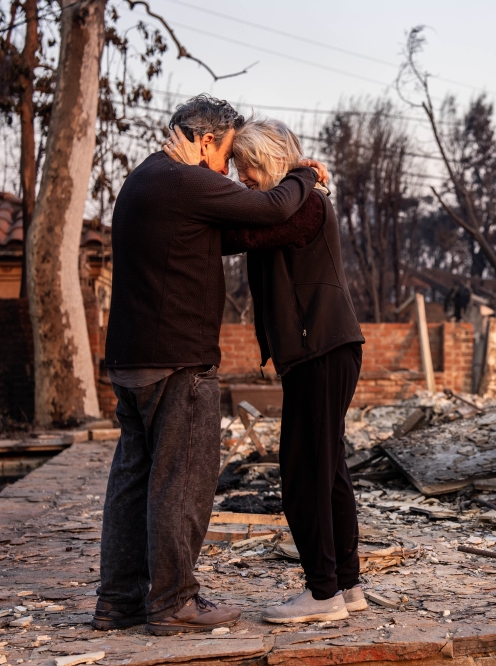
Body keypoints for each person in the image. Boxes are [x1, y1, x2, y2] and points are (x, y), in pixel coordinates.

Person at [97, 95, 329, 636]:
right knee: (182, 482)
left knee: (133, 482)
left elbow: (229, 233)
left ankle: (119, 602)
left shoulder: (143, 180)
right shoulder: (187, 180)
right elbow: (271, 210)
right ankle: (174, 601)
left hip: (131, 361)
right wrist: (302, 174)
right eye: (225, 156)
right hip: (178, 360)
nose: (228, 172)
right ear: (204, 142)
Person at [164, 117, 367, 623]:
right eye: (236, 167)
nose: (242, 177)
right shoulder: (296, 201)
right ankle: (346, 584)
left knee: (304, 474)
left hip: (322, 350)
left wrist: (300, 175)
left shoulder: (308, 205)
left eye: (247, 166)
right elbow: (241, 229)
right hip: (319, 352)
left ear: (271, 160)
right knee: (329, 470)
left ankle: (322, 595)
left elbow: (242, 234)